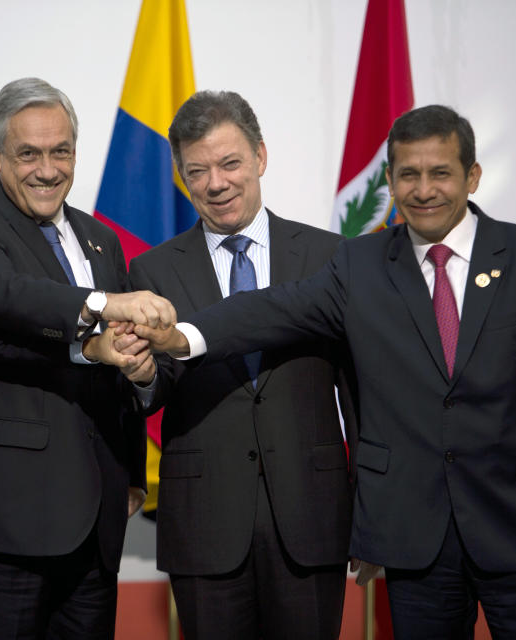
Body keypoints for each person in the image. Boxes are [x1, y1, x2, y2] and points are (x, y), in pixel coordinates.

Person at [138, 105, 516, 639]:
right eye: (408, 175)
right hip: (417, 541)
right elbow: (272, 310)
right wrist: (183, 337)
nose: (423, 189)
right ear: (389, 181)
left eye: (440, 173)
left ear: (472, 176)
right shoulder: (361, 264)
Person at [126, 90, 357, 639]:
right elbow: (149, 394)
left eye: (230, 163)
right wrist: (139, 376)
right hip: (204, 523)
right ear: (182, 178)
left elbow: (359, 390)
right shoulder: (150, 270)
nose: (216, 183)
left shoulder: (329, 256)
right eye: (197, 171)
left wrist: (375, 514)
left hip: (313, 518)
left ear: (260, 157)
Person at [0, 77, 158, 639]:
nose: (47, 168)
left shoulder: (100, 238)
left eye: (61, 151)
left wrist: (130, 468)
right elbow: (2, 297)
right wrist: (102, 304)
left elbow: (117, 363)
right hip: (9, 515)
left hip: (97, 516)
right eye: (28, 153)